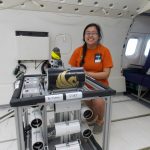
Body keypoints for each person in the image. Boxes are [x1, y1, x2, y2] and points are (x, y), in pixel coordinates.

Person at [69, 23, 113, 134]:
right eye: (88, 33)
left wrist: (87, 73)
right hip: (83, 85)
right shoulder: (78, 51)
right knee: (89, 109)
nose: (90, 36)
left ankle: (100, 120)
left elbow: (105, 74)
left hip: (100, 85)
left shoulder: (104, 51)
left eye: (94, 33)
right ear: (84, 36)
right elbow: (72, 70)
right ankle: (92, 116)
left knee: (98, 102)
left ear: (99, 36)